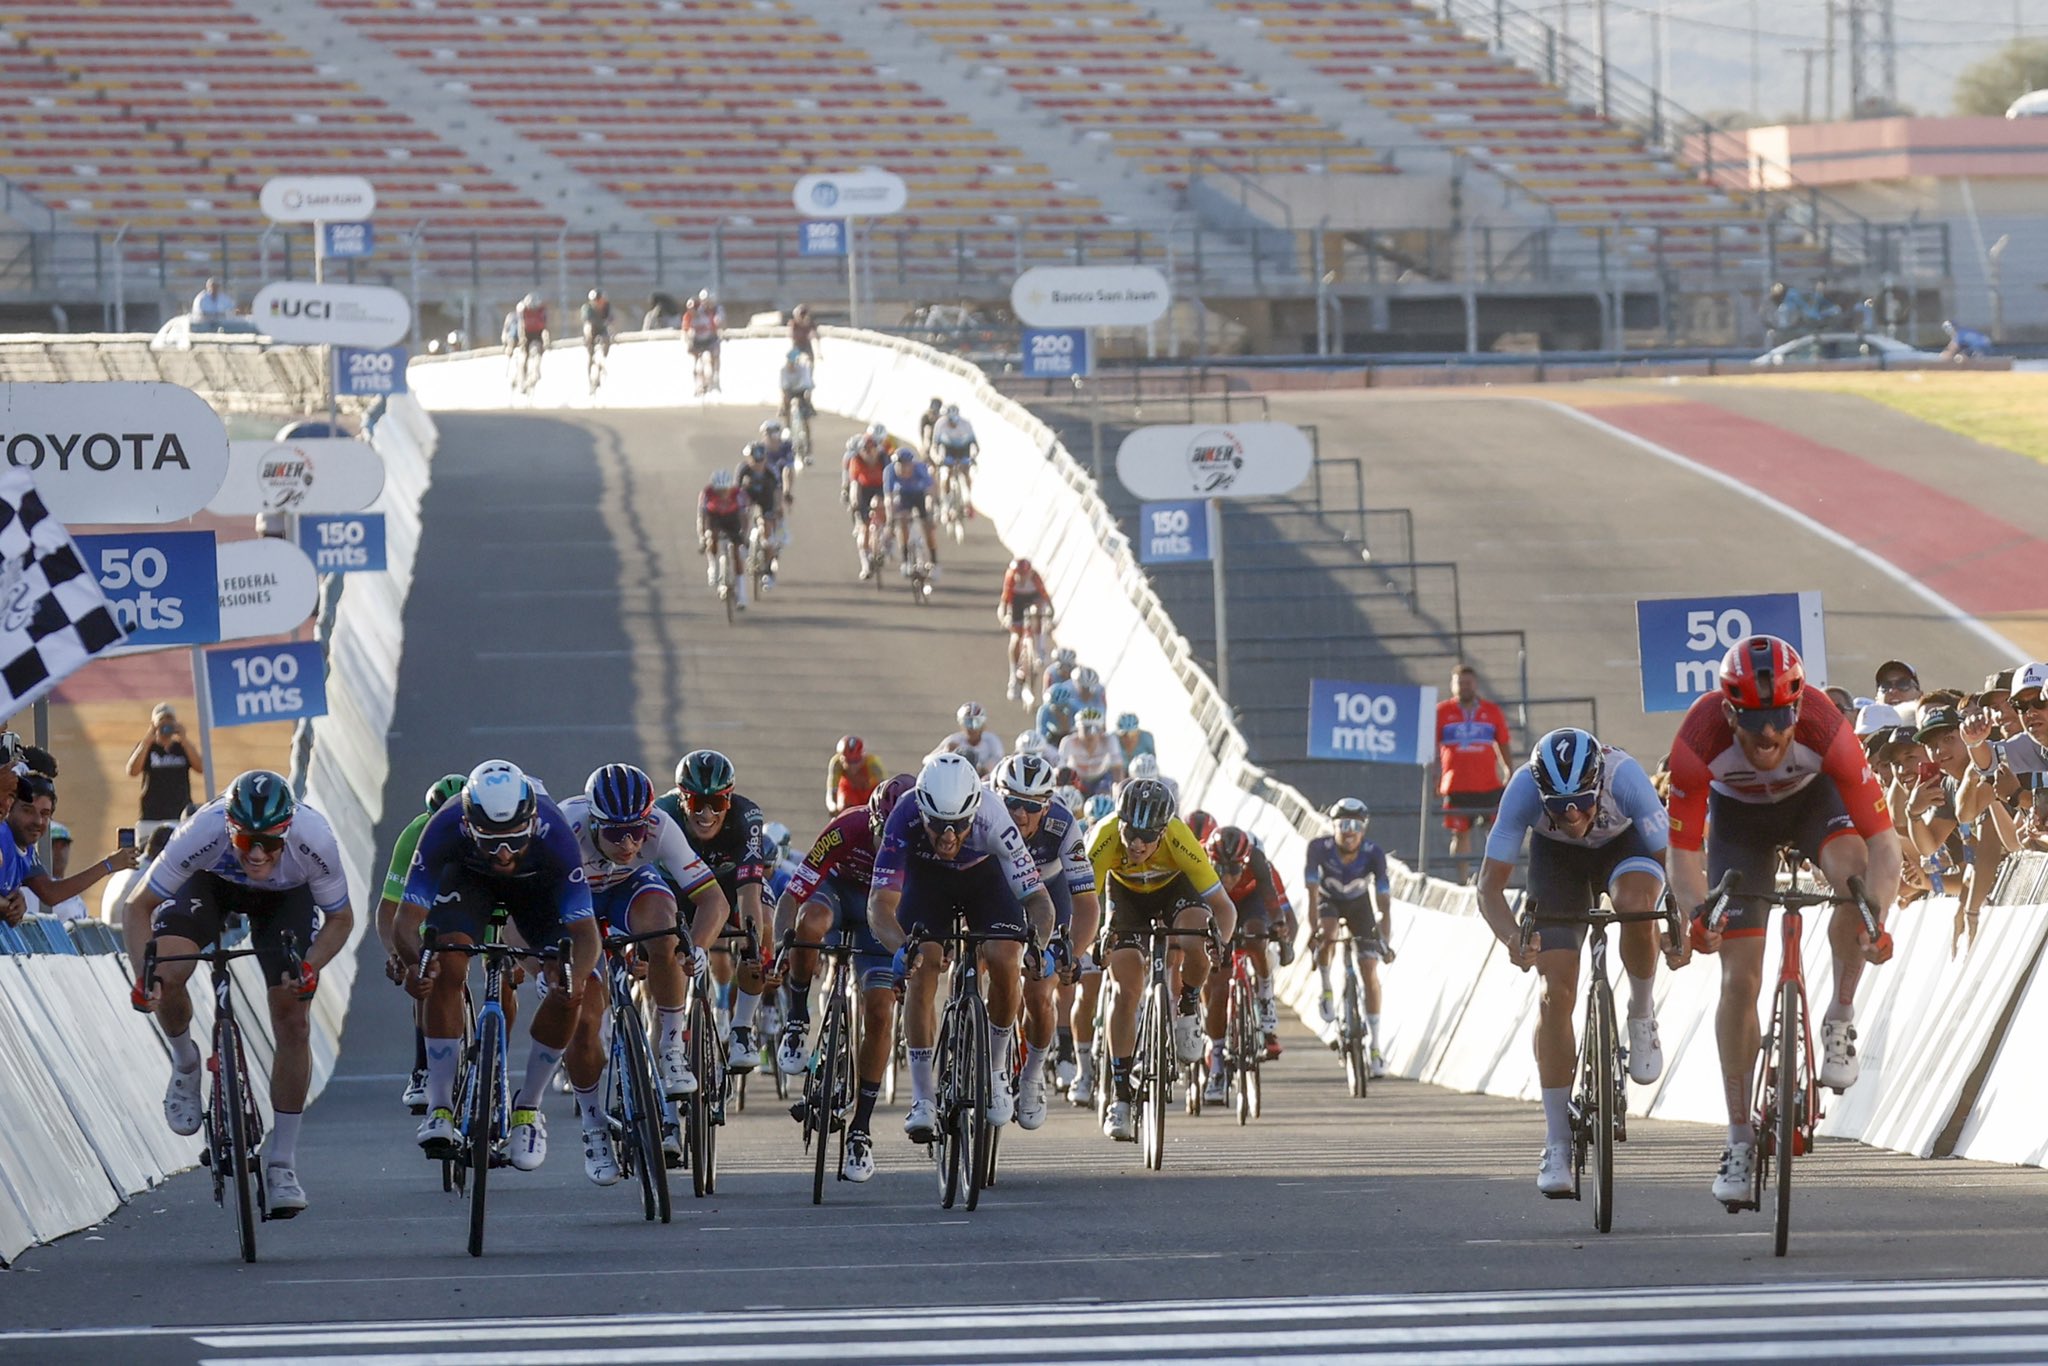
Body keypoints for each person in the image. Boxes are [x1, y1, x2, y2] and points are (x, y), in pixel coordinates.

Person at [1666, 637, 1899, 1207]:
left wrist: (1877, 917)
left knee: (1853, 874)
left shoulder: (1826, 729)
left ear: (1797, 710)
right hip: (1738, 826)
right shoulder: (1697, 741)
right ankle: (1739, 1138)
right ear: (1727, 712)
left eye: (1778, 722)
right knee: (1738, 979)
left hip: (1814, 804)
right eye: (1752, 724)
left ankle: (1841, 1014)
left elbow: (1886, 846)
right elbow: (1683, 857)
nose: (1767, 736)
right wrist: (1699, 914)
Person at [127, 771, 354, 1217]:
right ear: (228, 827)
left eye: (269, 843)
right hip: (210, 884)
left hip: (286, 898)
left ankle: (283, 1164)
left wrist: (310, 969)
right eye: (245, 839)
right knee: (169, 970)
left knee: (294, 1017)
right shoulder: (202, 831)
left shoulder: (315, 839)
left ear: (287, 831)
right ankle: (185, 1062)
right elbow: (137, 907)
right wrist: (145, 977)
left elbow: (340, 920)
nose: (255, 853)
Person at [1476, 730, 1680, 1197]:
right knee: (1555, 991)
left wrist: (1680, 922)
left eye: (1583, 804)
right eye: (1560, 807)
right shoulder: (1523, 791)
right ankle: (1556, 1140)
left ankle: (1642, 1011)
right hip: (1558, 865)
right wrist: (1511, 938)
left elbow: (1677, 865)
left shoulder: (1625, 777)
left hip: (1624, 849)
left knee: (1636, 905)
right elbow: (1488, 888)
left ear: (1598, 786)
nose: (1572, 817)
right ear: (1541, 792)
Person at [395, 761, 600, 1180]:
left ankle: (528, 1110)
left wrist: (573, 980)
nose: (503, 853)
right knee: (443, 960)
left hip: (536, 885)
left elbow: (586, 934)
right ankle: (439, 1106)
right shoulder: (446, 825)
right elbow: (405, 919)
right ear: (470, 825)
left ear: (530, 820)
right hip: (468, 879)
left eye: (512, 840)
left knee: (566, 979)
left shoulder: (555, 832)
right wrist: (417, 965)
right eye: (491, 840)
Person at [868, 754, 1054, 1145]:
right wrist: (900, 947)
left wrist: (1037, 941)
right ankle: (922, 1098)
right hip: (927, 882)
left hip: (984, 880)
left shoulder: (994, 817)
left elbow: (1038, 899)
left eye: (959, 825)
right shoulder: (904, 816)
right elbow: (880, 906)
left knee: (1005, 956)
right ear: (923, 811)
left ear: (975, 810)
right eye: (938, 826)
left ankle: (997, 1066)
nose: (949, 837)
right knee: (924, 964)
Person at [562, 764, 728, 1178]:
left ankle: (670, 1049)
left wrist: (700, 949)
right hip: (573, 897)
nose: (629, 842)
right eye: (616, 833)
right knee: (582, 1018)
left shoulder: (659, 827)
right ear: (593, 821)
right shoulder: (566, 830)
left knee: (666, 927)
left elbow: (714, 902)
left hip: (628, 890)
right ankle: (594, 1124)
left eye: (636, 830)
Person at [772, 774, 915, 1182]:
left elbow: (926, 904)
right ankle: (798, 1020)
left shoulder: (920, 841)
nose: (885, 842)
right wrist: (786, 944)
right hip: (837, 897)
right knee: (810, 921)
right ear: (869, 821)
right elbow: (794, 893)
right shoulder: (845, 828)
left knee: (881, 1011)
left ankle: (861, 1129)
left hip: (884, 918)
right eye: (879, 832)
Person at [1087, 778, 1237, 1142]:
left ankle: (1187, 1006)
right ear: (1119, 822)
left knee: (1196, 939)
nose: (1137, 843)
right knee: (1126, 989)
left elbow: (1223, 907)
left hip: (1175, 890)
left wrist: (1223, 944)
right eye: (1131, 832)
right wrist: (1093, 940)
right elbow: (1084, 903)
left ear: (1163, 830)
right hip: (1124, 898)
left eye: (1147, 835)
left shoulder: (1179, 837)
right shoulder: (1104, 837)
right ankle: (1121, 1098)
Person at [992, 752, 1098, 1125]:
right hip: (995, 891)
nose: (1020, 814)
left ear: (1048, 805)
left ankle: (1033, 1074)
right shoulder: (984, 812)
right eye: (1012, 803)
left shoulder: (1063, 825)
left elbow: (1086, 903)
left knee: (1038, 993)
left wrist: (1073, 954)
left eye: (1031, 806)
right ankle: (984, 1061)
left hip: (1050, 898)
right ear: (997, 795)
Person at [656, 750, 775, 1072]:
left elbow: (750, 889)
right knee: (659, 946)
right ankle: (667, 1042)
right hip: (676, 890)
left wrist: (754, 945)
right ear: (682, 799)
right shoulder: (661, 814)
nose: (707, 814)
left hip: (728, 887)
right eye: (697, 804)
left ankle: (742, 1028)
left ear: (730, 800)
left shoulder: (747, 816)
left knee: (762, 921)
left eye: (718, 804)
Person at [378, 773, 467, 1114]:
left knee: (502, 981)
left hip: (479, 898)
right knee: (426, 964)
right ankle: (422, 1067)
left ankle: (494, 1065)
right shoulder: (416, 835)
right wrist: (397, 953)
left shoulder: (486, 830)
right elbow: (390, 909)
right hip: (431, 901)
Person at [1202, 826, 1297, 1093]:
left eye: (1235, 870)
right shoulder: (1201, 861)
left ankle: (1265, 993)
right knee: (1218, 984)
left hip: (1249, 902)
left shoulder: (1258, 860)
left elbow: (1273, 902)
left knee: (1257, 935)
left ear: (1246, 861)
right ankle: (1217, 1060)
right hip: (1216, 903)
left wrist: (1281, 932)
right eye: (1221, 870)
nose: (1228, 877)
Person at [1305, 797, 1392, 1073]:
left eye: (1355, 825)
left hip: (1359, 904)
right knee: (1328, 933)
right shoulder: (1318, 848)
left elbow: (1384, 902)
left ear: (1364, 829)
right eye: (1343, 824)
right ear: (1333, 826)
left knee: (1369, 970)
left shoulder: (1374, 853)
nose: (1349, 831)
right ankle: (1326, 988)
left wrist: (1384, 942)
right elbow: (1312, 895)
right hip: (1328, 900)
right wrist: (1314, 931)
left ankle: (1376, 1047)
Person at [14, 772, 142, 918]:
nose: (37, 821)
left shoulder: (26, 848)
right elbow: (50, 893)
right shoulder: (6, 837)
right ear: (9, 806)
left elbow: (50, 893)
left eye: (45, 814)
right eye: (27, 811)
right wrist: (107, 865)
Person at [1437, 664, 1513, 871]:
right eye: (1459, 683)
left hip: (1488, 784)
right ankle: (1462, 883)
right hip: (1456, 785)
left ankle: (1493, 880)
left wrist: (1509, 770)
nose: (1464, 687)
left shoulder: (1492, 711)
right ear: (1452, 685)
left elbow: (1503, 743)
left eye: (1468, 683)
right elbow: (1432, 749)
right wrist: (1436, 780)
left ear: (1475, 684)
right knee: (1460, 834)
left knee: (1496, 833)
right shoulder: (1442, 712)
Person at [127, 703, 202, 843]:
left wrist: (184, 739)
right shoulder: (147, 748)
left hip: (180, 816)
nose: (166, 726)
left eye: (170, 721)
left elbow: (201, 767)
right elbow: (132, 771)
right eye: (162, 721)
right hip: (151, 817)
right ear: (154, 724)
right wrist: (147, 741)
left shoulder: (182, 748)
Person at [697, 468, 751, 611]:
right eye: (719, 491)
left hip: (732, 520)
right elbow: (702, 517)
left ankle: (742, 594)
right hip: (715, 519)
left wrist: (743, 535)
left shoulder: (738, 494)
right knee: (711, 536)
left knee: (736, 554)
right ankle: (713, 566)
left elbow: (743, 517)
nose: (722, 494)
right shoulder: (707, 493)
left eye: (725, 491)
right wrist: (703, 536)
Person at [999, 558, 1052, 702]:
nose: (1021, 578)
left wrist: (1050, 613)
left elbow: (1045, 597)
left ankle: (1040, 647)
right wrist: (1004, 617)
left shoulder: (1035, 578)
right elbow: (1004, 602)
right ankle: (1013, 676)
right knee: (1016, 637)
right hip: (1016, 602)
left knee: (1038, 612)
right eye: (1019, 575)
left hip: (1033, 599)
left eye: (1024, 575)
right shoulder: (1011, 578)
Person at [842, 426, 891, 578]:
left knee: (886, 511)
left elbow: (890, 481)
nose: (869, 453)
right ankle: (865, 564)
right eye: (865, 449)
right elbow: (854, 484)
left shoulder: (884, 459)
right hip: (864, 489)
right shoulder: (855, 460)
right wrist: (854, 503)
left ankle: (885, 540)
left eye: (872, 448)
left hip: (880, 487)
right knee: (864, 528)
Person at [884, 444, 939, 574]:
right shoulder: (889, 471)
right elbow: (889, 497)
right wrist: (890, 519)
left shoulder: (920, 469)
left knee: (928, 525)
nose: (902, 468)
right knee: (901, 522)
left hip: (920, 495)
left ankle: (934, 560)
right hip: (903, 496)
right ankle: (905, 560)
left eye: (905, 465)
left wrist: (932, 506)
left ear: (911, 464)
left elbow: (931, 489)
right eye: (899, 465)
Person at [737, 442, 785, 586]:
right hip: (749, 497)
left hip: (766, 500)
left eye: (760, 460)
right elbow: (736, 491)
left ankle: (768, 568)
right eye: (753, 460)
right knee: (743, 514)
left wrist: (777, 508)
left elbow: (778, 491)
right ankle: (743, 540)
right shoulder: (743, 469)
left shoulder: (772, 471)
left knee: (767, 532)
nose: (757, 464)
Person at [1058, 706, 1123, 797]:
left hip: (1101, 777)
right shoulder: (1068, 742)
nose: (1091, 734)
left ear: (1101, 730)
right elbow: (1060, 772)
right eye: (1087, 729)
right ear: (1078, 729)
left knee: (1105, 793)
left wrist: (1119, 793)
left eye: (1096, 729)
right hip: (1078, 779)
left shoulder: (1109, 740)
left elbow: (1117, 769)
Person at [931, 404, 978, 516]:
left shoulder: (966, 425)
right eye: (949, 421)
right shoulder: (940, 424)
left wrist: (973, 458)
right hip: (949, 450)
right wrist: (937, 458)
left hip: (963, 449)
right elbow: (934, 446)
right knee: (947, 473)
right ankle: (946, 500)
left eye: (953, 422)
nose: (951, 424)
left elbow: (975, 446)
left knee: (966, 472)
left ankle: (968, 499)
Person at [826, 735, 886, 816]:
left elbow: (884, 789)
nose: (852, 767)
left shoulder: (873, 764)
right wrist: (833, 807)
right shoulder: (836, 764)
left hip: (870, 791)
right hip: (849, 791)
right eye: (848, 762)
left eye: (856, 761)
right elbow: (832, 791)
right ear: (841, 758)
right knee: (844, 811)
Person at [941, 702, 1005, 777]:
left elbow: (1000, 761)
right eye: (968, 722)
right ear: (961, 723)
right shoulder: (954, 740)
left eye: (977, 722)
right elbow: (928, 760)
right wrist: (945, 753)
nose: (972, 728)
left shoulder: (992, 741)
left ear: (983, 724)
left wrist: (985, 769)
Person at [683, 289, 724, 391]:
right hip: (697, 341)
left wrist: (718, 330)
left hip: (709, 340)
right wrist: (688, 338)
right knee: (698, 364)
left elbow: (717, 325)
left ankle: (714, 380)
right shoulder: (690, 316)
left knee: (712, 358)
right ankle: (699, 385)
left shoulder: (712, 312)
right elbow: (685, 329)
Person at [1037, 679, 1082, 748]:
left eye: (1062, 707)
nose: (1059, 710)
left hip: (1071, 734)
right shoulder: (1044, 710)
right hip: (1053, 736)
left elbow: (1082, 725)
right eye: (1055, 707)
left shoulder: (1074, 706)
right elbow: (1041, 732)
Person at [779, 348, 816, 428]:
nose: (791, 364)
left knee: (806, 398)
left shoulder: (803, 369)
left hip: (801, 389)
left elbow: (807, 383)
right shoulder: (783, 370)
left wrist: (807, 392)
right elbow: (783, 386)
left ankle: (808, 412)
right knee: (786, 398)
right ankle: (787, 424)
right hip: (790, 389)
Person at [580, 289, 613, 371]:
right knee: (588, 330)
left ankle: (604, 357)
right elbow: (587, 319)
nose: (598, 303)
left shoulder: (606, 306)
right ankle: (591, 356)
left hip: (601, 327)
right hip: (592, 328)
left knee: (607, 339)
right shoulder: (587, 308)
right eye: (596, 300)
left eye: (600, 300)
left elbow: (609, 318)